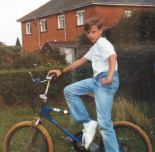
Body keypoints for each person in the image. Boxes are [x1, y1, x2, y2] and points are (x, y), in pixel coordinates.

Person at [48, 17, 119, 151]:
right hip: (97, 80)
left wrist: (109, 77)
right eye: (88, 32)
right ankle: (87, 123)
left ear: (100, 31)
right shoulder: (95, 47)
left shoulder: (103, 43)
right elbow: (80, 62)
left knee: (104, 124)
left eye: (93, 31)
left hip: (106, 81)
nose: (91, 35)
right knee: (69, 90)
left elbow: (113, 56)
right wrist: (61, 71)